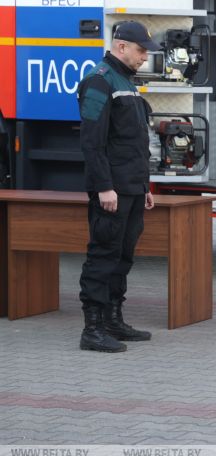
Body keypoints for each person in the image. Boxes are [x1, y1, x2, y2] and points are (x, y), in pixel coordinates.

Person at [77, 20, 161, 352]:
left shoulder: (125, 81)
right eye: (141, 51)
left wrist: (144, 187)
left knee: (122, 256)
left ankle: (113, 320)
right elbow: (92, 143)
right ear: (121, 46)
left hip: (131, 188)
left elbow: (133, 142)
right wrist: (104, 188)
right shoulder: (99, 83)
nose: (145, 58)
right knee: (103, 256)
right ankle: (92, 329)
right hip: (112, 191)